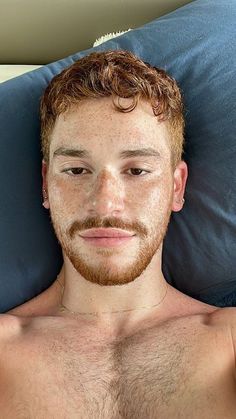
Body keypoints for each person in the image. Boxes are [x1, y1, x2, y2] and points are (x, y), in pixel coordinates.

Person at [1, 50, 236, 418]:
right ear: (46, 186)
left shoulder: (230, 343)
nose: (106, 204)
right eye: (77, 170)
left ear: (177, 187)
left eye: (137, 170)